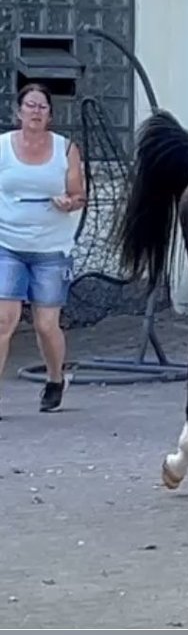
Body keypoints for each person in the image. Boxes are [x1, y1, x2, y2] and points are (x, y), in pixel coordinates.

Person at [0, 83, 86, 416]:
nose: (36, 112)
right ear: (18, 111)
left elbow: (79, 194)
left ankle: (55, 379)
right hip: (7, 244)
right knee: (4, 321)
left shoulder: (65, 150)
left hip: (52, 248)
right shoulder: (3, 148)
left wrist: (69, 203)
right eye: (30, 105)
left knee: (46, 324)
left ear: (50, 114)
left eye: (42, 107)